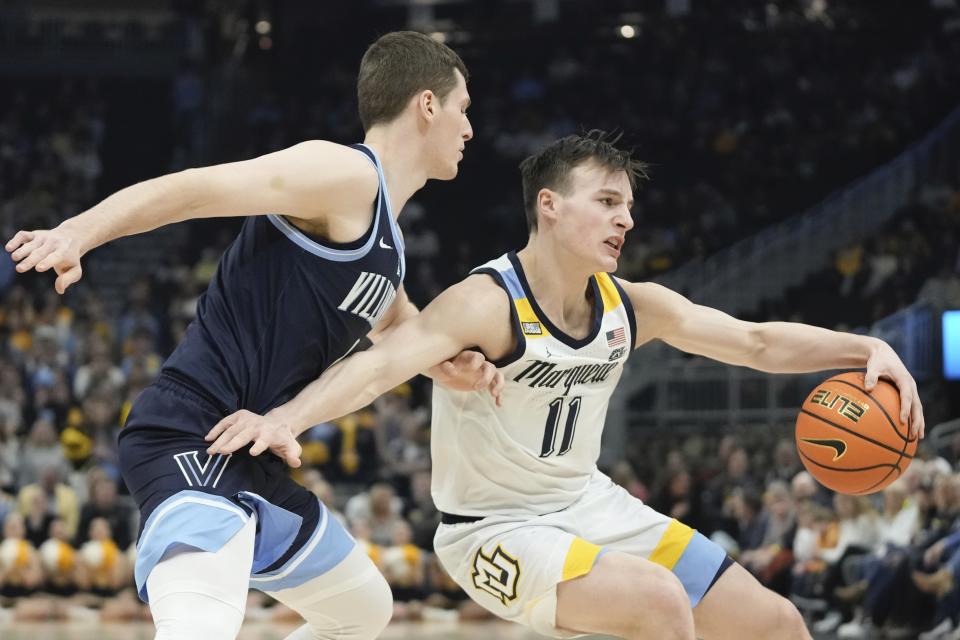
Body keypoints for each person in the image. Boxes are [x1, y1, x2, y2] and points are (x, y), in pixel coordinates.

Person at [206, 130, 926, 639]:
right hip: (493, 529)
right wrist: (285, 419)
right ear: (549, 205)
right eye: (608, 201)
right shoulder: (487, 302)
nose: (627, 219)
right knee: (658, 604)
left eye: (629, 207)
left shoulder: (629, 304)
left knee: (778, 625)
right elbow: (380, 364)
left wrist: (865, 347)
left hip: (592, 507)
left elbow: (756, 341)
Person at [6, 31, 499, 640]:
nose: (470, 128)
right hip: (191, 432)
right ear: (428, 105)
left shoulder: (388, 244)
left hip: (250, 446)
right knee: (200, 629)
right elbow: (193, 189)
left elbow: (400, 326)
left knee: (363, 609)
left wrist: (442, 363)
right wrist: (78, 233)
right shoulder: (344, 173)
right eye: (464, 109)